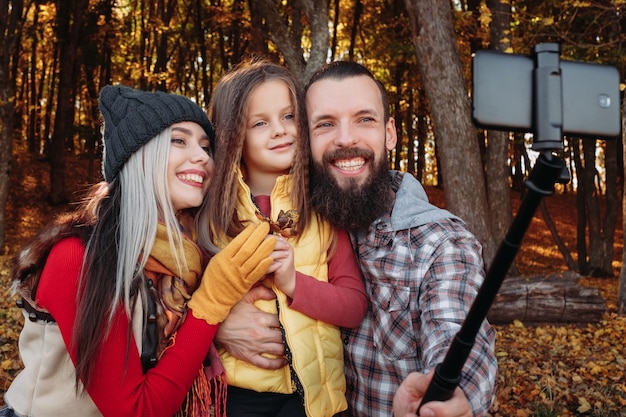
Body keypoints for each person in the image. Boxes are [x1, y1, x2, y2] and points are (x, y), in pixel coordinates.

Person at [216, 60, 498, 417]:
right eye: (325, 124)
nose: (346, 138)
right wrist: (216, 327)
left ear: (390, 133)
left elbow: (455, 329)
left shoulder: (439, 244)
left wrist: (451, 391)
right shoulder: (300, 210)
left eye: (364, 119)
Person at [1, 85, 276, 417]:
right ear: (137, 155)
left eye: (206, 146)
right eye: (179, 140)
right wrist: (212, 305)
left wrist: (217, 325)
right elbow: (136, 411)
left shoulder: (188, 254)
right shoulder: (77, 256)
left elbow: (179, 339)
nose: (203, 156)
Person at [196, 58, 368, 417]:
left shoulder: (322, 211)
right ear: (233, 136)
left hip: (318, 400)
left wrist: (293, 282)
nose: (279, 130)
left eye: (289, 116)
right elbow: (184, 306)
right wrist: (216, 330)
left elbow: (354, 306)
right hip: (238, 398)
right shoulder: (210, 217)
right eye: (260, 122)